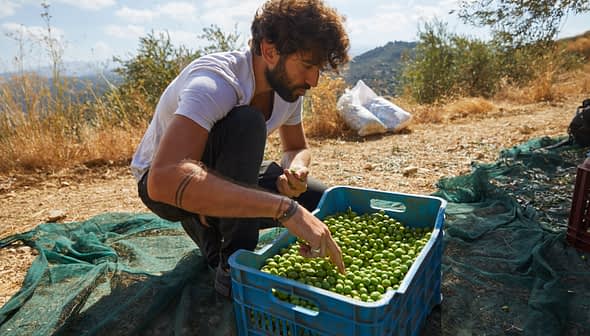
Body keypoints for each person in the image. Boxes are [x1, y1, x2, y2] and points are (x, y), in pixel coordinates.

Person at [130, 0, 350, 297]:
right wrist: (286, 210)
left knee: (319, 200)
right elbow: (163, 179)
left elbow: (297, 146)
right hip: (163, 182)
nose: (313, 80)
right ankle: (232, 266)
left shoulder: (288, 88)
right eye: (308, 66)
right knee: (248, 123)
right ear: (269, 51)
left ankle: (211, 215)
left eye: (319, 68)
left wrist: (296, 167)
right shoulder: (216, 82)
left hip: (223, 171)